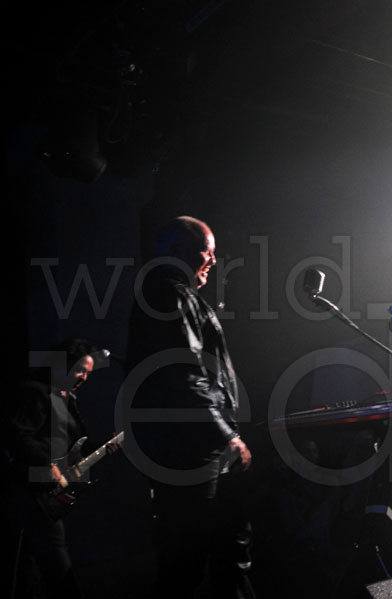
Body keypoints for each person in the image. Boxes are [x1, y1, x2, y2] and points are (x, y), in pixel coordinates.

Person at [126, 215, 254, 598]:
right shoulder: (168, 294)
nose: (213, 260)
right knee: (191, 558)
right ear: (175, 251)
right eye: (207, 251)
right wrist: (225, 435)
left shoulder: (175, 295)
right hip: (192, 452)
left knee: (225, 549)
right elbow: (183, 373)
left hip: (198, 449)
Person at [4, 339, 117, 598]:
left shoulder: (68, 399)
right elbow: (18, 435)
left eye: (88, 372)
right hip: (32, 492)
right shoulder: (36, 392)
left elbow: (72, 450)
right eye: (81, 370)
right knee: (56, 565)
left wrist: (102, 448)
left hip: (50, 493)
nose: (85, 377)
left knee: (28, 569)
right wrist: (46, 463)